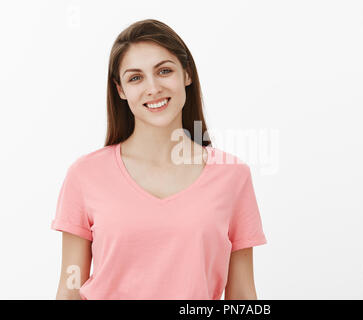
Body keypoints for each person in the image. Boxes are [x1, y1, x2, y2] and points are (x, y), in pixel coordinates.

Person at [51, 19, 267, 300]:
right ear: (120, 90)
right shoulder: (85, 175)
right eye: (135, 77)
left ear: (186, 75)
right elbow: (70, 288)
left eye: (164, 71)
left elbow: (242, 294)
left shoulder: (233, 176)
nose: (152, 88)